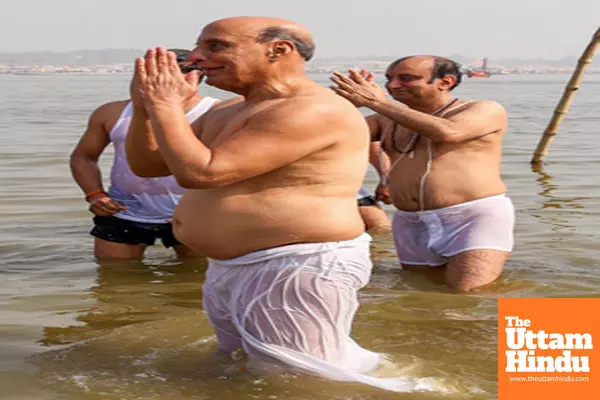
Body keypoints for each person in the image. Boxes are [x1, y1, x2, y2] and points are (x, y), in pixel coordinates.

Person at [125, 17, 422, 392]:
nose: (198, 58)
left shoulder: (312, 108)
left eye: (216, 46)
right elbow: (147, 164)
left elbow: (203, 173)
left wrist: (164, 105)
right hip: (234, 267)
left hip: (296, 264)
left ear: (278, 49)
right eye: (199, 47)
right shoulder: (229, 109)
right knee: (249, 370)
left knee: (300, 384)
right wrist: (143, 107)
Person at [330, 55, 514, 292]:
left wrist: (376, 103)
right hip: (410, 220)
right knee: (420, 294)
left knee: (468, 296)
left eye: (406, 79)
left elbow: (448, 132)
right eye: (389, 79)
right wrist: (342, 106)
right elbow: (327, 137)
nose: (393, 85)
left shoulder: (484, 109)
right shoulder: (385, 118)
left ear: (445, 81)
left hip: (470, 217)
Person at [70, 49, 219, 260]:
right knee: (114, 282)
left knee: (194, 282)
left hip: (193, 212)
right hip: (123, 209)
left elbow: (230, 168)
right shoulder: (111, 113)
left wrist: (210, 207)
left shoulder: (216, 113)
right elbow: (83, 157)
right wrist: (95, 195)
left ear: (194, 77)